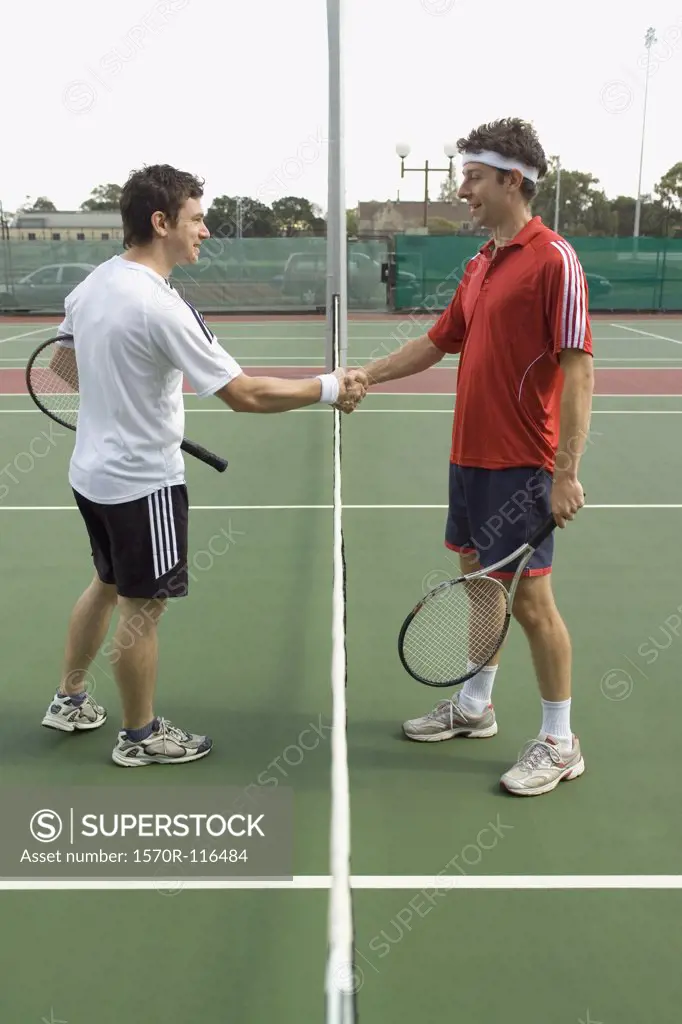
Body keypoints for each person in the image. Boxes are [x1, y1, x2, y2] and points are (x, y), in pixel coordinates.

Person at [41, 163, 366, 767]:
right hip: (143, 484)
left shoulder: (92, 286)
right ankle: (140, 737)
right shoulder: (162, 308)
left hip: (91, 476)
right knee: (143, 609)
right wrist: (327, 387)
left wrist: (122, 395)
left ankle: (70, 697)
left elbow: (63, 368)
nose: (206, 231)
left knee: (106, 584)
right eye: (196, 218)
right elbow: (245, 395)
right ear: (160, 222)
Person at [349, 119, 594, 797]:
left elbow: (578, 371)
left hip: (523, 465)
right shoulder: (482, 262)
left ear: (512, 180)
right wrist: (366, 373)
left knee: (533, 604)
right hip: (470, 458)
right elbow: (436, 342)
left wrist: (566, 471)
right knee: (481, 585)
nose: (464, 191)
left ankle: (559, 740)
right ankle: (475, 705)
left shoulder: (554, 260)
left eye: (474, 178)